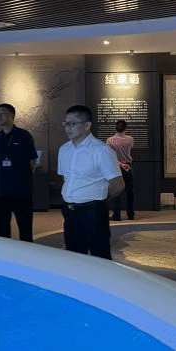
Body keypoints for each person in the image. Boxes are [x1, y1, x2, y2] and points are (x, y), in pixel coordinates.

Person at [58, 105, 124, 259]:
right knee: (74, 257)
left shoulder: (101, 150)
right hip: (69, 211)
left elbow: (118, 185)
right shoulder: (64, 150)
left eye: (72, 124)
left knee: (100, 258)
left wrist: (97, 199)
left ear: (87, 125)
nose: (68, 128)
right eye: (66, 124)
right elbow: (65, 178)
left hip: (92, 212)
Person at [0, 104, 38, 241]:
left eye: (3, 113)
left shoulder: (24, 136)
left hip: (21, 190)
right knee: (2, 228)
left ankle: (27, 253)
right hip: (1, 190)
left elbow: (32, 161)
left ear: (12, 116)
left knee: (25, 227)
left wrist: (22, 177)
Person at [107, 119, 135, 221]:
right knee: (129, 191)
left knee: (116, 192)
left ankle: (116, 215)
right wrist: (124, 164)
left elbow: (110, 156)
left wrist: (120, 164)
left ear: (115, 128)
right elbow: (130, 149)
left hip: (116, 166)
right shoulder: (130, 139)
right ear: (125, 128)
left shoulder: (110, 140)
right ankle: (130, 214)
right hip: (127, 166)